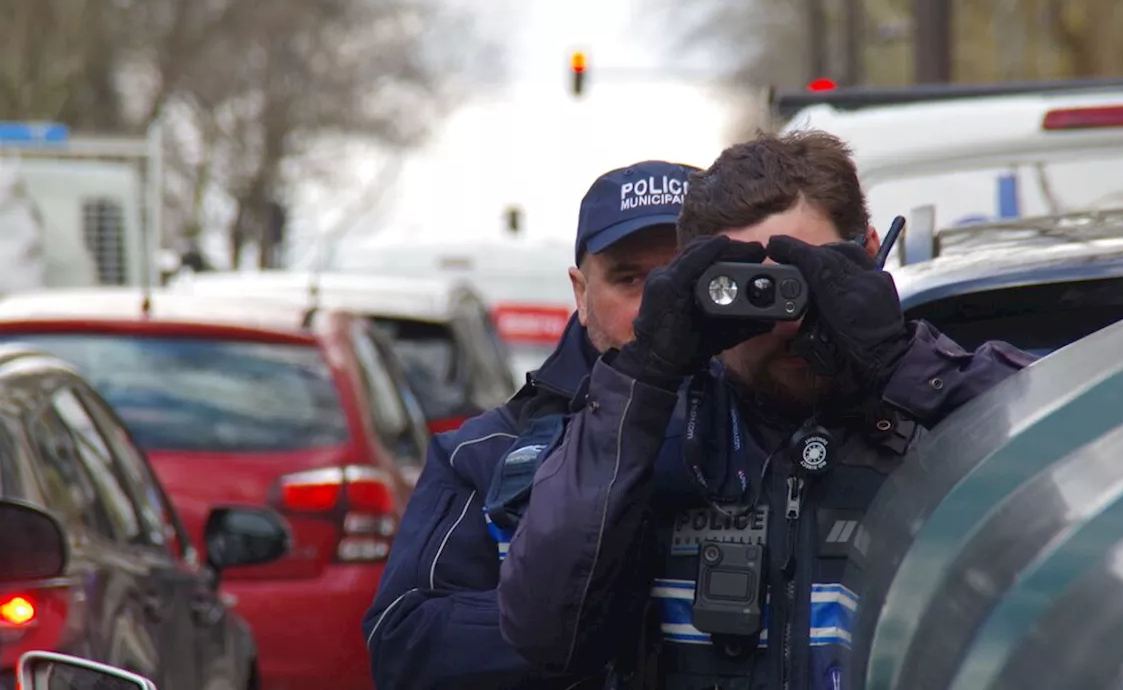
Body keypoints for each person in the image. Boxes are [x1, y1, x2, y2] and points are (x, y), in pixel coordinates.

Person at [496, 130, 1039, 689]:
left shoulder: (962, 397)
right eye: (753, 287)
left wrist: (898, 364)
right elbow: (544, 634)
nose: (786, 319)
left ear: (871, 249)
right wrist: (644, 375)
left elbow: (1077, 511)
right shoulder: (653, 432)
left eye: (812, 279)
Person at [362, 160, 700, 689]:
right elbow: (404, 643)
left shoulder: (790, 433)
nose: (657, 308)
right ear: (581, 295)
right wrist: (586, 612)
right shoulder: (484, 453)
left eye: (682, 278)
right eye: (629, 279)